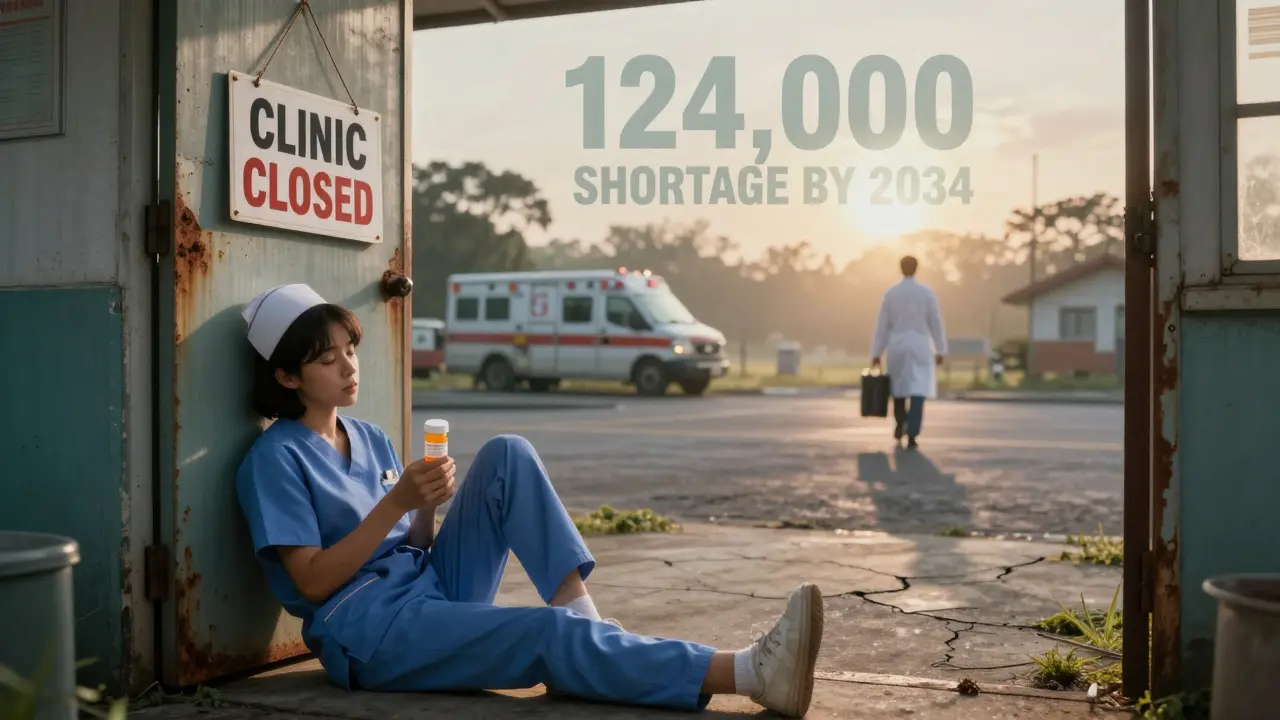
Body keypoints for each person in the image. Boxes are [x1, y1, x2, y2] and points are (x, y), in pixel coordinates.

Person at [234, 283, 826, 717]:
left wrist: (424, 504)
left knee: (507, 453)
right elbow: (311, 584)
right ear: (287, 378)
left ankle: (585, 624)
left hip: (426, 587)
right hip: (370, 632)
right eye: (327, 358)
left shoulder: (369, 437)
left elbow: (412, 547)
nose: (348, 367)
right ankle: (750, 672)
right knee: (545, 636)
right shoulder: (274, 459)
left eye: (350, 349)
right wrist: (395, 505)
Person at [869, 256, 948, 449]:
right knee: (918, 389)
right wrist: (941, 349)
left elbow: (883, 326)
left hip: (897, 344)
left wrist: (876, 352)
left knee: (898, 389)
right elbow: (935, 323)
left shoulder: (891, 294)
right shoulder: (927, 294)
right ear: (917, 268)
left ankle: (900, 422)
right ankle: (912, 433)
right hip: (920, 343)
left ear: (900, 268)